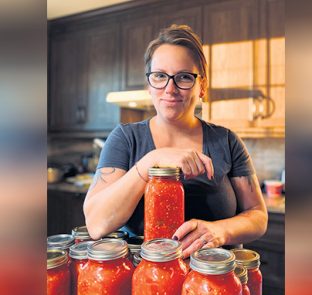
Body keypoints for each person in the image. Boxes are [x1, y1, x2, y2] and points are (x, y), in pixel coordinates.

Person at [84, 24, 268, 258]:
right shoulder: (125, 139)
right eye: (160, 76)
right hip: (147, 281)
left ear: (202, 86)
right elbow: (96, 224)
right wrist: (152, 160)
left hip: (214, 279)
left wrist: (219, 231)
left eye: (183, 77)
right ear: (149, 85)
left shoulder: (226, 140)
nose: (170, 89)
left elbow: (258, 215)